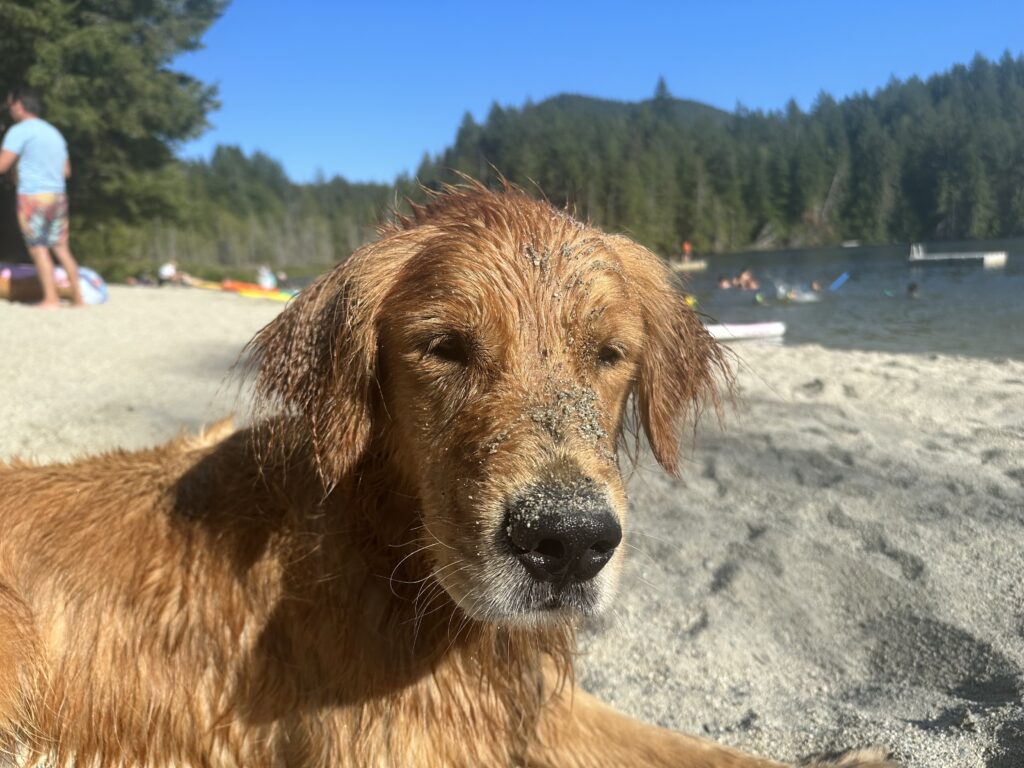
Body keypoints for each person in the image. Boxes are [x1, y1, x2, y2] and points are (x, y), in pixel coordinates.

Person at [0, 86, 83, 308]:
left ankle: (51, 299)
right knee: (61, 247)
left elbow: (2, 165)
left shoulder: (20, 131)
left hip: (33, 196)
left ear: (19, 105)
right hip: (57, 195)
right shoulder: (54, 133)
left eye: (10, 105)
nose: (9, 110)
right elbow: (66, 171)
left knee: (38, 247)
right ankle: (78, 298)